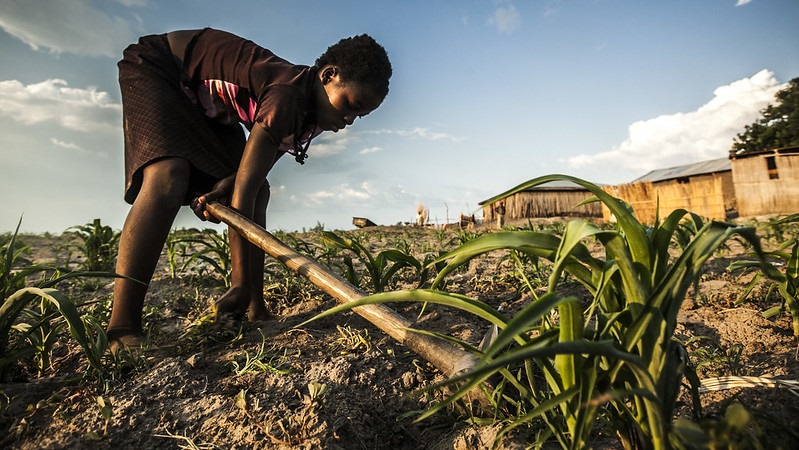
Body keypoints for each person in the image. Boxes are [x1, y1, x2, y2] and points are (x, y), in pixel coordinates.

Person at [106, 28, 392, 352]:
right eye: (351, 105)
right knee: (169, 177)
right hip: (161, 67)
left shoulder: (310, 114)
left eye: (360, 115)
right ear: (328, 75)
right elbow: (245, 185)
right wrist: (238, 282)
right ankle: (122, 327)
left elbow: (251, 178)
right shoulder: (287, 95)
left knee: (261, 192)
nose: (350, 120)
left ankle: (256, 308)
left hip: (207, 109)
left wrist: (230, 182)